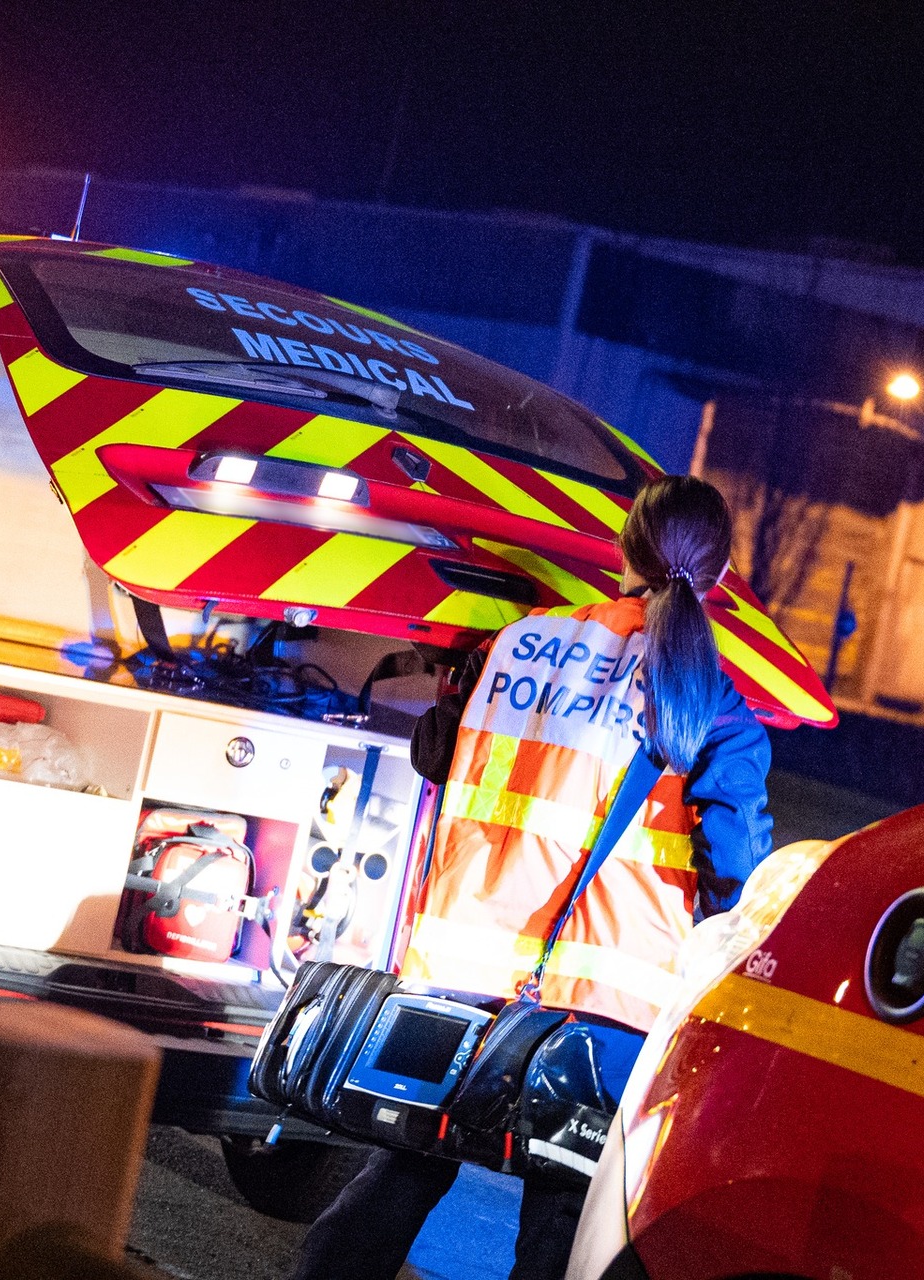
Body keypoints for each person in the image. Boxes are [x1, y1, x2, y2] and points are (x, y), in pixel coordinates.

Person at [292, 474, 774, 1280]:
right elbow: (736, 872)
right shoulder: (709, 703)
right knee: (560, 1217)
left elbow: (443, 761)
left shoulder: (517, 643)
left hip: (456, 971)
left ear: (624, 549)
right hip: (602, 1005)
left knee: (406, 1167)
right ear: (718, 577)